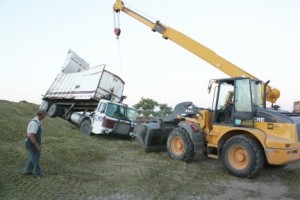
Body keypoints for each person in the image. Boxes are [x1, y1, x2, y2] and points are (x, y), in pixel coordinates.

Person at [23, 109, 47, 179]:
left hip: (34, 141)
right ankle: (37, 174)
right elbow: (31, 135)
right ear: (41, 114)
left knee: (33, 157)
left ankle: (26, 171)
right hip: (32, 142)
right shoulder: (34, 123)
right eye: (45, 114)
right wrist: (37, 145)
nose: (45, 116)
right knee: (35, 158)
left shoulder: (39, 122)